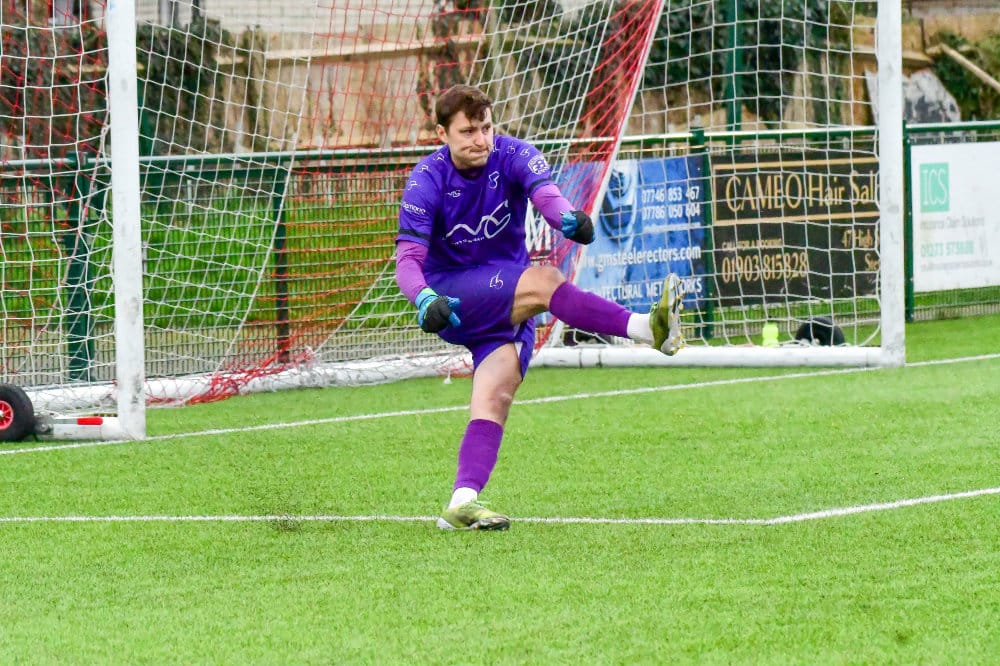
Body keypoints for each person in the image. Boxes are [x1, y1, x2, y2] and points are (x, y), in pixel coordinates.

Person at [395, 84, 684, 531]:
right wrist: (424, 297)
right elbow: (407, 259)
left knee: (495, 398)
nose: (481, 140)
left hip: (505, 299)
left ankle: (461, 503)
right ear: (442, 133)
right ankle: (649, 329)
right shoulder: (426, 179)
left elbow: (545, 194)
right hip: (451, 297)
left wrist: (568, 218)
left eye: (486, 128)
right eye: (468, 131)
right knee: (546, 280)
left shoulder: (514, 153)